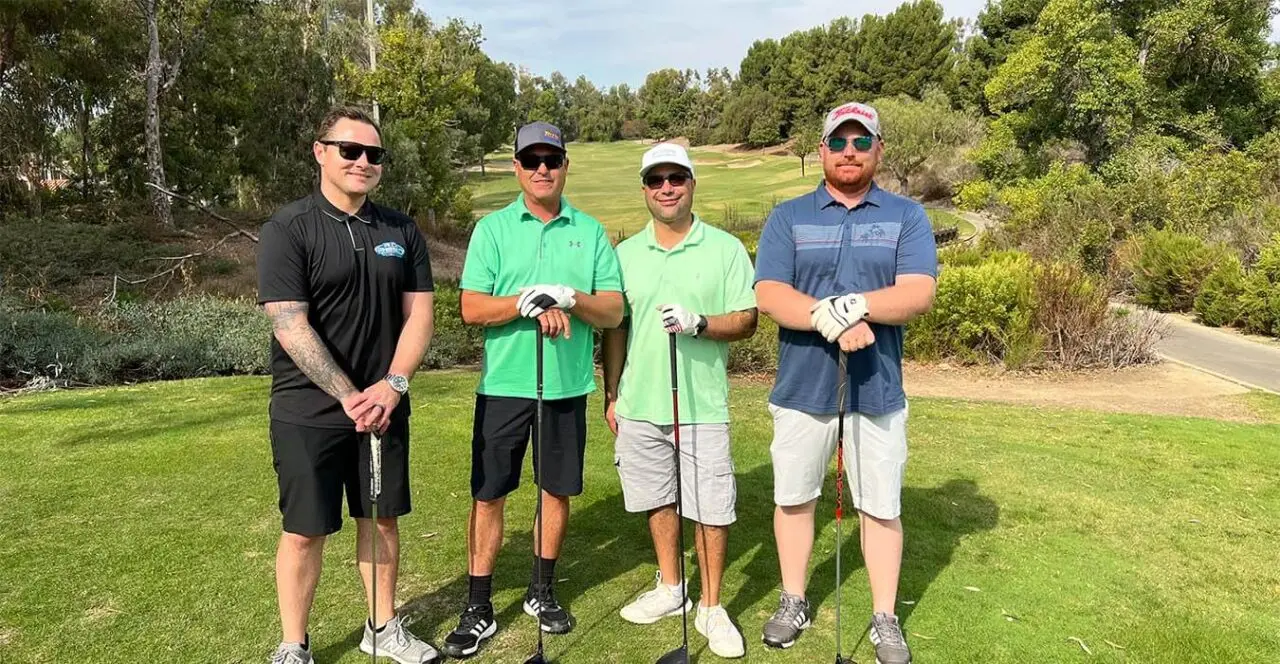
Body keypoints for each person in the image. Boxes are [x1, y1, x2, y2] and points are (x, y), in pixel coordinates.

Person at [753, 101, 938, 664]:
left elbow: (917, 292)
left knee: (880, 505)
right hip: (802, 388)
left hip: (876, 389)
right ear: (822, 149)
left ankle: (884, 617)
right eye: (839, 142)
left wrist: (857, 305)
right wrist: (825, 316)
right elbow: (769, 293)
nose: (850, 152)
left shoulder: (908, 217)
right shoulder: (788, 217)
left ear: (879, 149)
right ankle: (793, 599)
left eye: (862, 142)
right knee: (794, 498)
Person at [257, 106, 439, 664]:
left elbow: (420, 315)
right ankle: (294, 645)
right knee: (305, 530)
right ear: (320, 152)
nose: (363, 162)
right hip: (308, 410)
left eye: (374, 154)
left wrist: (393, 386)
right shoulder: (288, 228)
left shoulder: (399, 230)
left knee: (380, 519)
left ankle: (382, 629)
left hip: (385, 407)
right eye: (350, 150)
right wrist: (346, 393)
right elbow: (289, 322)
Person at [442, 121, 625, 659]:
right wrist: (523, 302)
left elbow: (613, 310)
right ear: (517, 168)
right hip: (504, 385)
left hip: (566, 386)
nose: (542, 169)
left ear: (565, 166)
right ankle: (478, 605)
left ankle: (541, 590)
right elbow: (471, 307)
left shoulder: (588, 231)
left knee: (556, 490)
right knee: (489, 493)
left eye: (552, 160)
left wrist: (569, 297)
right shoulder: (493, 230)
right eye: (532, 161)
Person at [602, 143, 758, 659]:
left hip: (701, 405)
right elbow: (617, 330)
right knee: (658, 498)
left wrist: (702, 324)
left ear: (692, 184)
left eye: (676, 178)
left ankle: (712, 606)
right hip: (640, 404)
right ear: (645, 189)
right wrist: (612, 393)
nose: (666, 187)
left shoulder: (725, 248)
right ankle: (672, 587)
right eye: (655, 180)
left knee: (711, 507)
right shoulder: (624, 255)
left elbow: (748, 320)